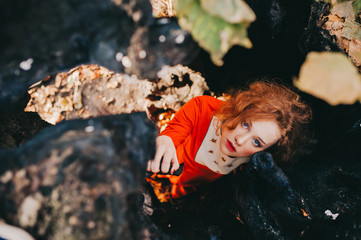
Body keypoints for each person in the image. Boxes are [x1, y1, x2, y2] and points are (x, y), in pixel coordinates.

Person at [147, 81, 312, 199]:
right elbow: (177, 128)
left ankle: (174, 195)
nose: (240, 140)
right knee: (166, 171)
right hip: (178, 158)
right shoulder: (205, 110)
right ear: (241, 109)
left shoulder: (253, 159)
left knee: (183, 189)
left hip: (202, 178)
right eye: (246, 125)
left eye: (256, 142)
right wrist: (166, 140)